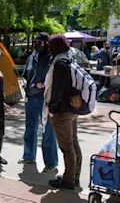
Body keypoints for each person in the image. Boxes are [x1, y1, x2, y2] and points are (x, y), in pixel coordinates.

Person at [44, 35, 81, 190]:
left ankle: (68, 181)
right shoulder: (71, 57)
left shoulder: (59, 62)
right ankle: (74, 176)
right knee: (73, 143)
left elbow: (58, 89)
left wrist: (52, 109)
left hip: (62, 112)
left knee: (67, 147)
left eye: (50, 46)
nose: (48, 48)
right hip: (72, 109)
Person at [19, 32, 58, 172]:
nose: (36, 44)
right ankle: (29, 156)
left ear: (46, 43)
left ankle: (51, 163)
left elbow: (51, 79)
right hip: (30, 98)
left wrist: (39, 86)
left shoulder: (51, 58)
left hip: (44, 99)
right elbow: (25, 75)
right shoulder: (31, 57)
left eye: (39, 42)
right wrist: (25, 84)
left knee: (48, 132)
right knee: (30, 129)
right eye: (35, 41)